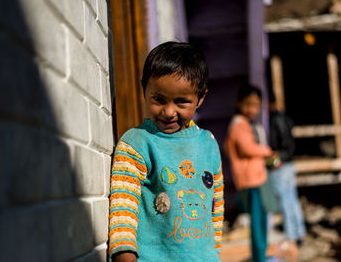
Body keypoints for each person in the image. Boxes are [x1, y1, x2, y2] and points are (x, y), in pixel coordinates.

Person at [108, 42, 224, 262]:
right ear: (144, 90)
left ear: (200, 98)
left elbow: (215, 207)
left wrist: (214, 253)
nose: (169, 112)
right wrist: (124, 253)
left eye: (181, 102)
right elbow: (123, 206)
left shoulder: (208, 144)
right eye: (159, 99)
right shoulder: (137, 143)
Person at [225, 84, 273, 262]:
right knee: (258, 221)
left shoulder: (249, 124)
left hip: (257, 177)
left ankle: (261, 254)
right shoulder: (239, 124)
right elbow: (246, 148)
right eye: (248, 104)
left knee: (262, 219)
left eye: (256, 105)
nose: (252, 109)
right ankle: (260, 257)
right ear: (239, 103)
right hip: (250, 180)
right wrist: (268, 151)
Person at [268, 93, 306, 245]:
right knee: (292, 199)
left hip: (282, 165)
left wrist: (278, 159)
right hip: (288, 163)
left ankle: (291, 236)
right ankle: (299, 233)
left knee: (285, 200)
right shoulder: (284, 118)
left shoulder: (275, 120)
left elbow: (285, 146)